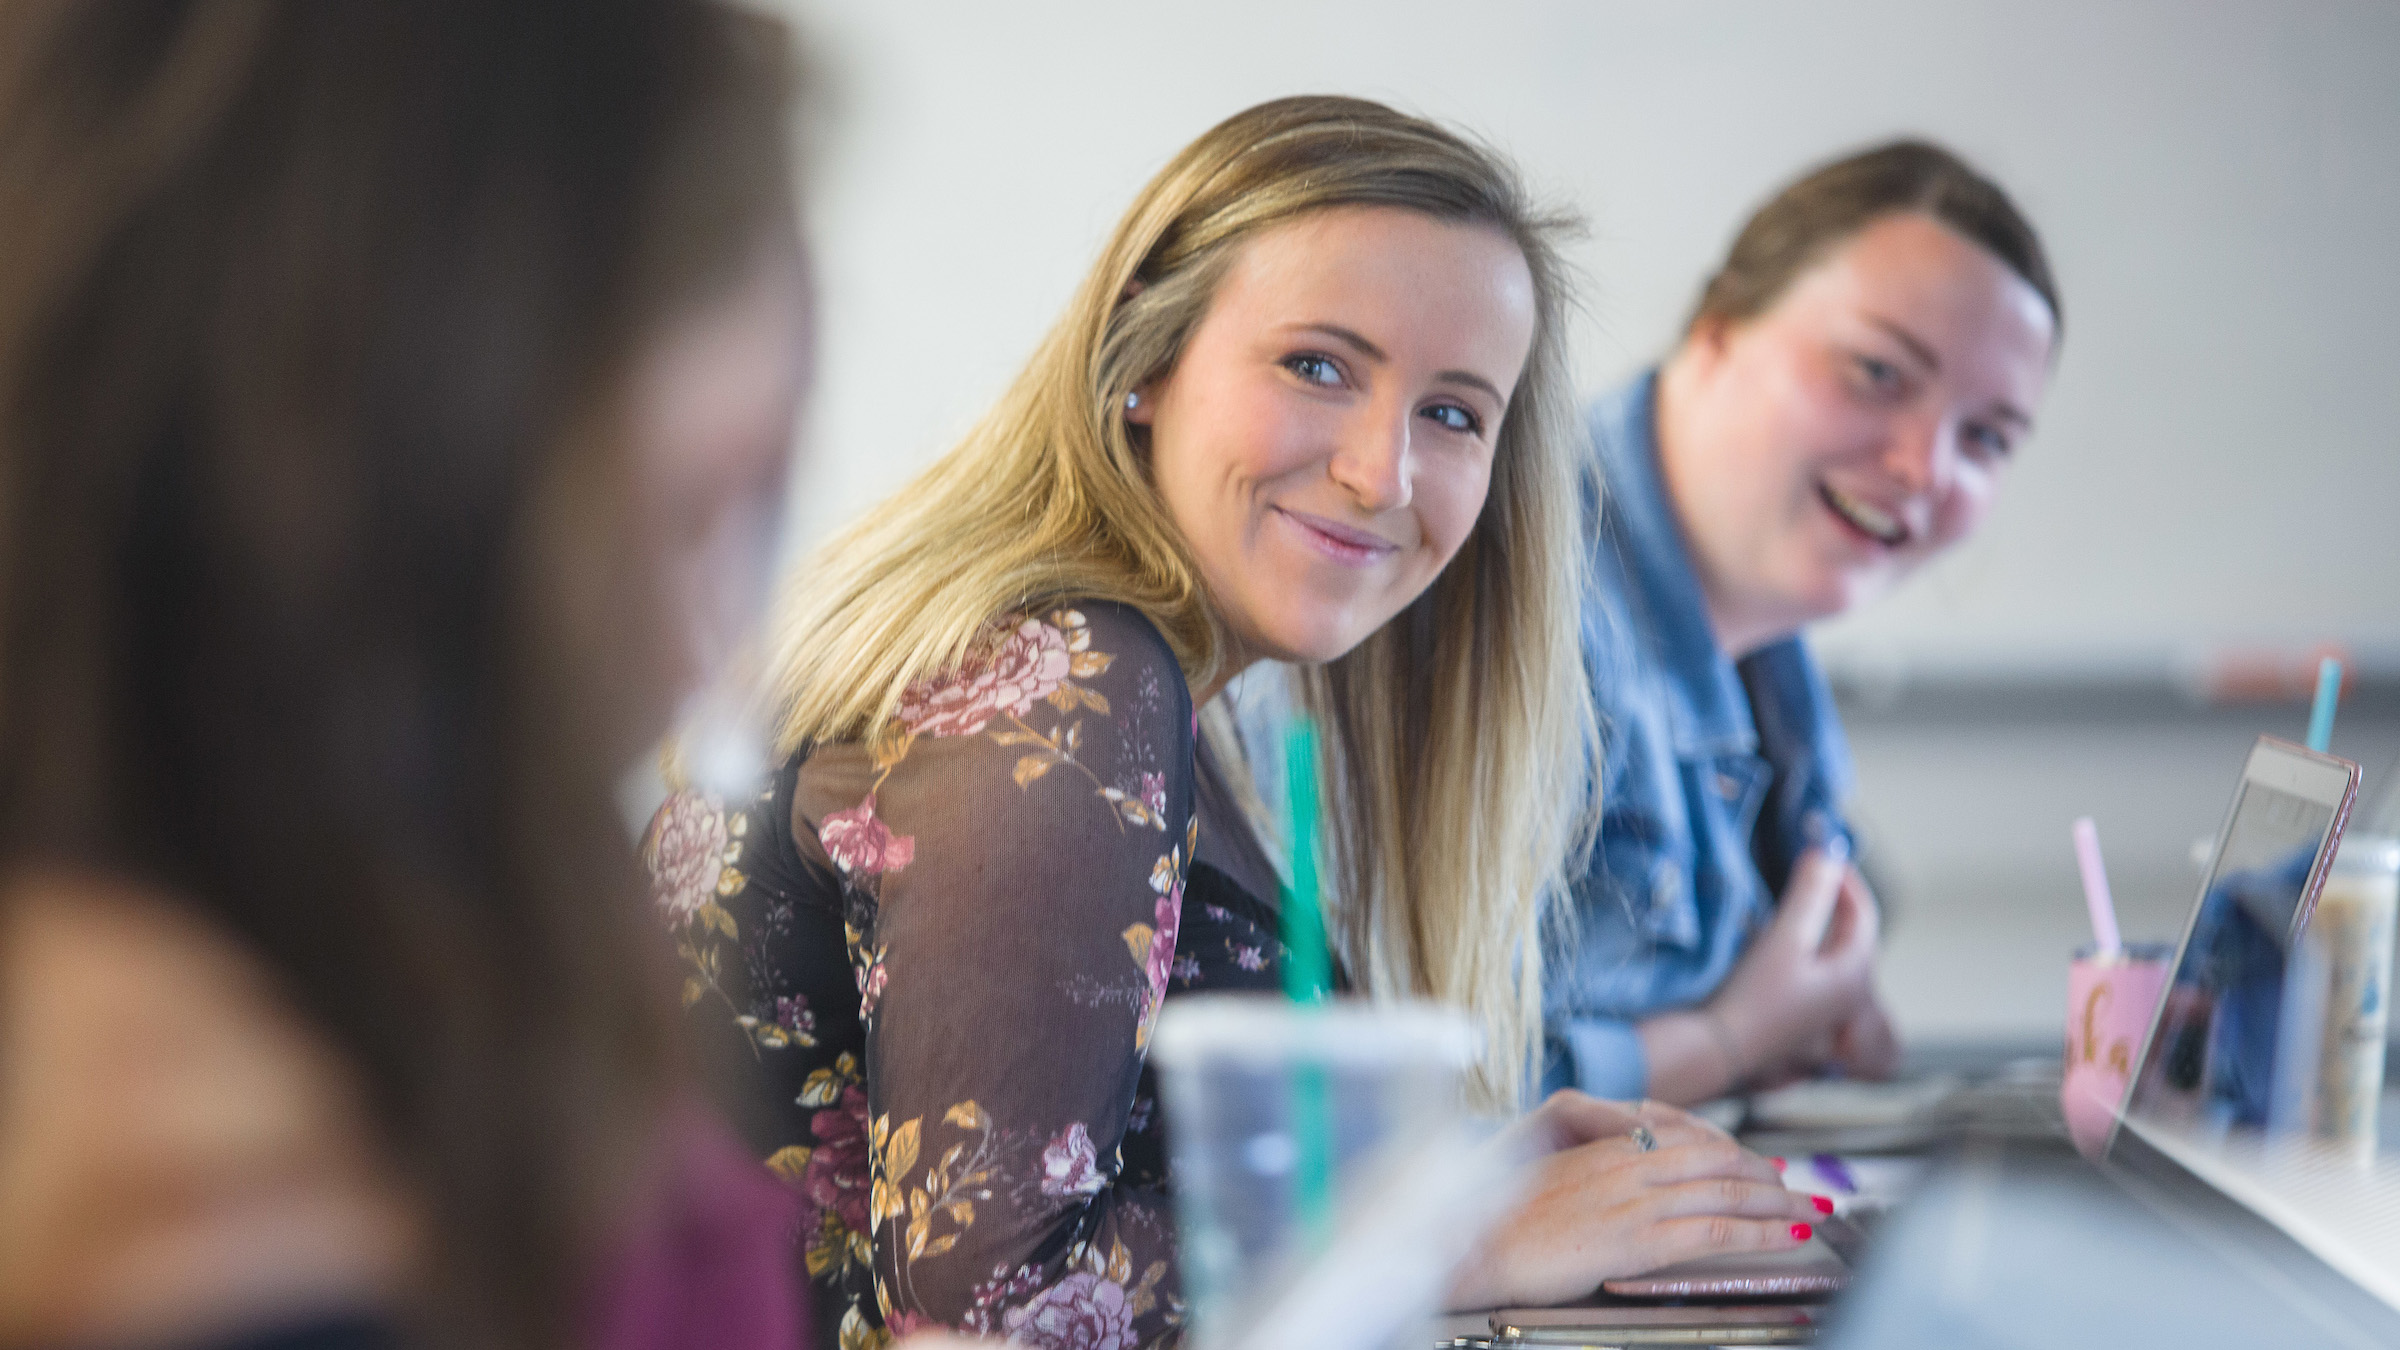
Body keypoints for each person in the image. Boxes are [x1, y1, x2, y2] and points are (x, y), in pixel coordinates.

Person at [646, 95, 1822, 1350]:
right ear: (1144, 362)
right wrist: (1453, 1236)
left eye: (1453, 413)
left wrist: (1464, 1178)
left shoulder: (1125, 674)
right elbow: (988, 1298)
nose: (1385, 473)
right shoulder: (1065, 678)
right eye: (1318, 366)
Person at [0, 4, 817, 1348]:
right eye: (673, 522)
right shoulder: (198, 1185)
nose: (702, 660)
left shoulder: (491, 922)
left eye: (743, 517)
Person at [1544, 141, 2062, 1106]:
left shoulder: (1765, 660)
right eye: (1876, 371)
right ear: (1716, 329)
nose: (1925, 469)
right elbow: (1424, 1103)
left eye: (1986, 437)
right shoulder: (1526, 612)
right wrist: (1731, 1039)